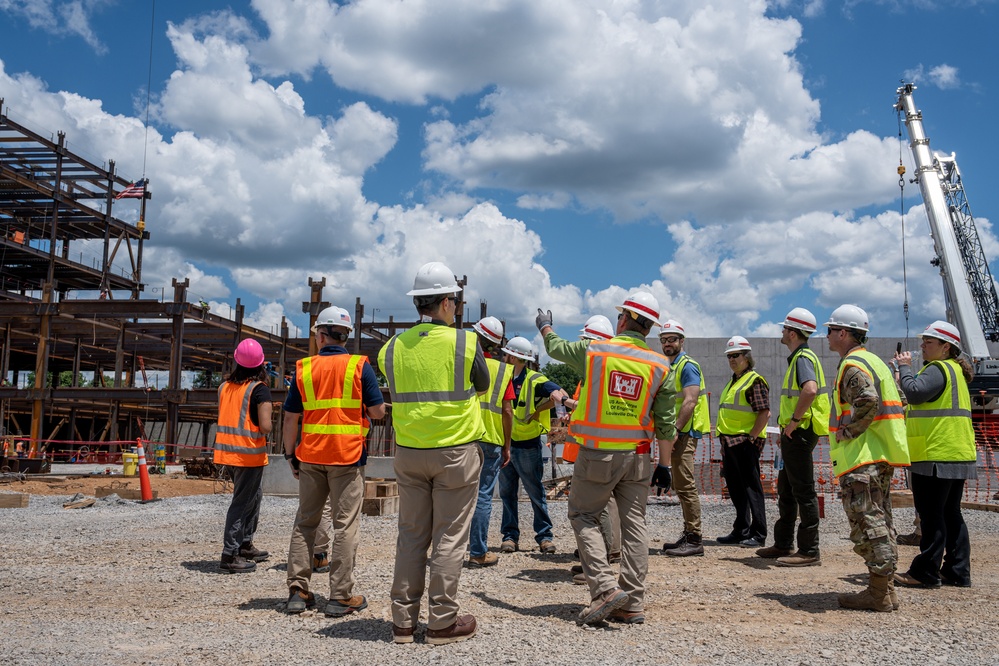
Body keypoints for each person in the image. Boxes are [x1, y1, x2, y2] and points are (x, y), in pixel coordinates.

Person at [378, 261, 488, 645]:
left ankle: (403, 623)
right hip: (455, 451)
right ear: (445, 303)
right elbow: (482, 382)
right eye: (454, 302)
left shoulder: (390, 349)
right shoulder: (465, 342)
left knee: (411, 535)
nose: (456, 308)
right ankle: (442, 622)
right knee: (449, 537)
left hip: (409, 452)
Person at [551, 292, 675, 626]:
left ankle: (605, 590)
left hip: (598, 455)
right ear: (648, 327)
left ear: (623, 319)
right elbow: (666, 423)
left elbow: (556, 348)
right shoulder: (660, 365)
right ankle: (632, 602)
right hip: (638, 458)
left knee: (583, 514)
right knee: (634, 525)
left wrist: (546, 328)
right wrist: (664, 465)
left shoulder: (596, 352)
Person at [282, 306, 386, 617]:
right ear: (344, 336)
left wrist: (290, 454)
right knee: (345, 526)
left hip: (311, 455)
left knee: (306, 523)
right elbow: (379, 412)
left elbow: (290, 418)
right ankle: (341, 595)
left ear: (322, 334)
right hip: (347, 455)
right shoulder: (359, 366)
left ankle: (298, 591)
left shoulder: (304, 369)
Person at [826, 304, 909, 612]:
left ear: (844, 333)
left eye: (831, 330)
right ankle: (884, 591)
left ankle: (878, 591)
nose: (828, 335)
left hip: (863, 456)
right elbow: (901, 400)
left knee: (867, 519)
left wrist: (851, 431)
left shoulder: (852, 365)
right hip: (882, 452)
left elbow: (869, 400)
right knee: (881, 517)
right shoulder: (876, 362)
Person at [893, 321, 976, 588]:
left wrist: (904, 369)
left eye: (928, 342)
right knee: (950, 513)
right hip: (955, 451)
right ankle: (956, 571)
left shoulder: (938, 369)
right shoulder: (954, 371)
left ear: (945, 347)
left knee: (931, 514)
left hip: (936, 453)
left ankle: (925, 572)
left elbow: (916, 394)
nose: (922, 346)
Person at [538, 313, 620, 583]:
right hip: (608, 442)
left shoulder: (595, 358)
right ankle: (600, 556)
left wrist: (544, 326)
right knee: (601, 503)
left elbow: (555, 347)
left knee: (596, 505)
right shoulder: (613, 366)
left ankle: (601, 563)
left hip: (597, 444)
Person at [756, 308, 829, 567]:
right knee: (787, 489)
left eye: (785, 328)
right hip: (795, 433)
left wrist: (794, 422)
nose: (782, 332)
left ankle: (809, 550)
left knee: (803, 490)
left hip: (800, 431)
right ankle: (784, 544)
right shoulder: (800, 357)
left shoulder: (802, 358)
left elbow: (809, 390)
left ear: (793, 332)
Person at [497, 336, 568, 554]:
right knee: (507, 494)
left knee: (535, 492)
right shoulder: (503, 376)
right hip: (505, 443)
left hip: (527, 445)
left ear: (513, 356)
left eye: (507, 354)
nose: (504, 357)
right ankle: (510, 537)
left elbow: (561, 394)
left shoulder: (535, 380)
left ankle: (544, 536)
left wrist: (540, 409)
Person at [214, 338, 273, 573]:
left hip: (227, 453)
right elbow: (266, 426)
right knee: (242, 502)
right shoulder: (259, 390)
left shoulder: (224, 387)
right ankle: (230, 554)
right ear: (260, 364)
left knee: (254, 496)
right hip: (248, 455)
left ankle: (245, 543)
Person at [657, 319, 710, 557]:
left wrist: (676, 430)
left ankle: (695, 538)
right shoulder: (671, 366)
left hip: (684, 432)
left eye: (671, 339)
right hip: (678, 431)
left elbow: (690, 400)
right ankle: (689, 533)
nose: (667, 344)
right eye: (664, 340)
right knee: (679, 483)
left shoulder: (687, 366)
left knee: (686, 485)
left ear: (681, 341)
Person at [467, 316, 515, 567]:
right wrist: (507, 444)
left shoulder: (461, 363)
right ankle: (478, 552)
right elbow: (507, 411)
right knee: (483, 495)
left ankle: (449, 551)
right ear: (496, 345)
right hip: (491, 441)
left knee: (455, 495)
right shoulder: (503, 371)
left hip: (463, 437)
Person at [715, 335, 770, 549]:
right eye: (729, 356)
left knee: (751, 488)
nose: (732, 359)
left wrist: (752, 438)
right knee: (737, 490)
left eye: (736, 355)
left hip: (745, 443)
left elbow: (764, 412)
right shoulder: (734, 381)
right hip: (730, 443)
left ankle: (759, 533)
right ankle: (741, 530)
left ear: (747, 357)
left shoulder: (754, 380)